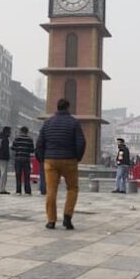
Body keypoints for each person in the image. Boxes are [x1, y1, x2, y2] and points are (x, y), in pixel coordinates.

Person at [35, 98, 86, 230]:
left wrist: (42, 159)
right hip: (69, 159)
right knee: (72, 188)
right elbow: (81, 142)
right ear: (68, 107)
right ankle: (67, 217)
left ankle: (51, 220)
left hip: (50, 160)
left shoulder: (47, 123)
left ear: (57, 107)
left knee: (51, 190)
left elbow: (39, 143)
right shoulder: (74, 123)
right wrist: (77, 157)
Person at [11, 126, 35, 195]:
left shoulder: (17, 138)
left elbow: (13, 148)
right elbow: (32, 150)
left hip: (18, 159)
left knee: (18, 175)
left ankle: (18, 191)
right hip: (26, 159)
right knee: (27, 175)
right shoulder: (30, 139)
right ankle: (27, 191)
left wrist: (18, 149)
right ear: (27, 132)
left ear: (21, 131)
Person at [0, 127, 11, 194]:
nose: (10, 133)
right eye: (9, 131)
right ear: (6, 132)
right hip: (3, 159)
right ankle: (2, 189)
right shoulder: (5, 139)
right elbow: (5, 150)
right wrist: (7, 157)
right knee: (3, 174)